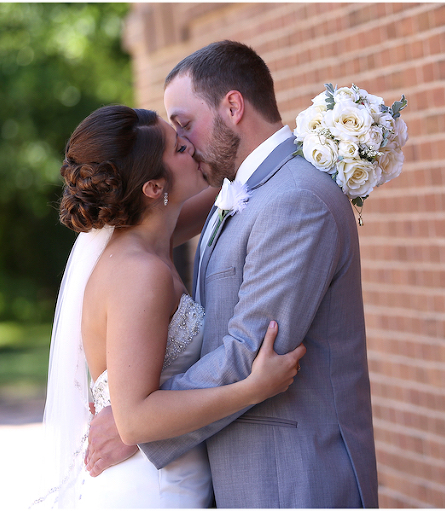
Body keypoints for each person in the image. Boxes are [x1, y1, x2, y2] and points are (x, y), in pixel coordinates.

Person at [86, 40, 378, 507]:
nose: (182, 143)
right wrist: (135, 415)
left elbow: (251, 351)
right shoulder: (240, 188)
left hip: (292, 478)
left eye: (184, 125)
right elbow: (145, 219)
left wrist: (137, 426)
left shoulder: (294, 199)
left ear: (234, 106)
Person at [34, 105, 304, 508]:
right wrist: (252, 389)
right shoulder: (140, 274)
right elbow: (134, 420)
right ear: (153, 188)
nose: (194, 148)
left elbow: (241, 175)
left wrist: (318, 139)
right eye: (180, 147)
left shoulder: (151, 235)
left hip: (170, 474)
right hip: (153, 489)